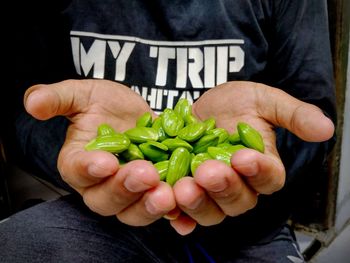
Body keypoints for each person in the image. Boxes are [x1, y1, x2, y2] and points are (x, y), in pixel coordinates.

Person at [1, 0, 336, 262]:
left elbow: (311, 117)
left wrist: (248, 169)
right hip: (101, 219)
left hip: (250, 228)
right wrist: (91, 166)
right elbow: (22, 112)